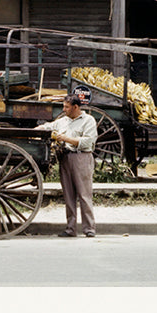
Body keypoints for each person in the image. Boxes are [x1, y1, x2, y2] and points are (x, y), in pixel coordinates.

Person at [39, 87, 99, 237]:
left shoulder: (88, 120)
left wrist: (65, 138)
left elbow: (88, 142)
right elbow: (49, 126)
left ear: (76, 107)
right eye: (64, 106)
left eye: (66, 107)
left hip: (82, 158)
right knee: (69, 196)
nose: (64, 109)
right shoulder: (62, 121)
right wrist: (37, 129)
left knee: (84, 195)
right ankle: (71, 228)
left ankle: (89, 229)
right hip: (65, 158)